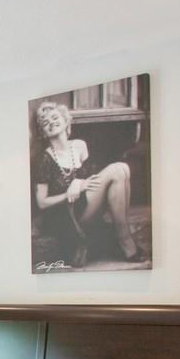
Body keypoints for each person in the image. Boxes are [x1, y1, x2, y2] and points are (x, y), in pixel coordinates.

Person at [31, 101, 139, 267]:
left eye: (55, 117)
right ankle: (125, 241)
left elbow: (90, 178)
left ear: (66, 120)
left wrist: (79, 182)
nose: (51, 122)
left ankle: (124, 238)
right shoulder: (45, 159)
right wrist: (68, 193)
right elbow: (42, 203)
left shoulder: (80, 146)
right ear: (43, 132)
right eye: (45, 122)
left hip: (86, 204)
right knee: (117, 169)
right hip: (66, 215)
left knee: (123, 168)